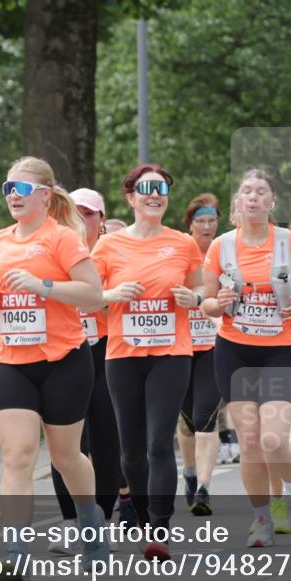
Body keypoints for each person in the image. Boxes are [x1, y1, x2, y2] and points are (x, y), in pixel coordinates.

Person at [0, 156, 106, 581]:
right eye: (7, 187)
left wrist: (44, 286)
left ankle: (91, 527)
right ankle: (14, 555)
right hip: (14, 361)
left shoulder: (63, 239)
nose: (13, 194)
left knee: (68, 457)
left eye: (23, 188)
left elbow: (93, 294)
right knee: (16, 457)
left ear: (45, 196)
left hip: (64, 361)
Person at [91, 163, 204, 561]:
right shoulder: (106, 246)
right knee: (131, 451)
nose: (154, 195)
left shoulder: (183, 244)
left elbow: (202, 287)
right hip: (123, 355)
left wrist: (197, 299)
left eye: (161, 189)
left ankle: (159, 526)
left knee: (159, 443)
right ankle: (139, 516)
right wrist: (113, 293)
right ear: (131, 197)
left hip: (171, 353)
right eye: (146, 189)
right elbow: (88, 297)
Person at [201, 168, 291, 547]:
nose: (253, 197)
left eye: (261, 192)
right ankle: (261, 519)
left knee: (271, 438)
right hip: (234, 349)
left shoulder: (290, 243)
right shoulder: (221, 246)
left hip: (280, 348)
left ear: (271, 203)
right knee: (249, 440)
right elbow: (207, 303)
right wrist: (215, 303)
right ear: (238, 202)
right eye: (247, 191)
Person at [44, 188, 124, 554]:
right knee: (66, 444)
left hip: (106, 349)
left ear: (101, 219)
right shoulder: (51, 249)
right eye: (74, 211)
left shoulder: (114, 252)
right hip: (62, 350)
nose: (81, 218)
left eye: (89, 213)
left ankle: (103, 518)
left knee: (107, 439)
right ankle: (70, 521)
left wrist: (104, 298)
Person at [177, 194, 225, 515]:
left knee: (207, 416)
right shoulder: (178, 252)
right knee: (187, 421)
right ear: (190, 224)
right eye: (200, 221)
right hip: (179, 346)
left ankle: (204, 488)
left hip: (214, 346)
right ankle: (191, 472)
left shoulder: (225, 253)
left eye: (211, 220)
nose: (207, 226)